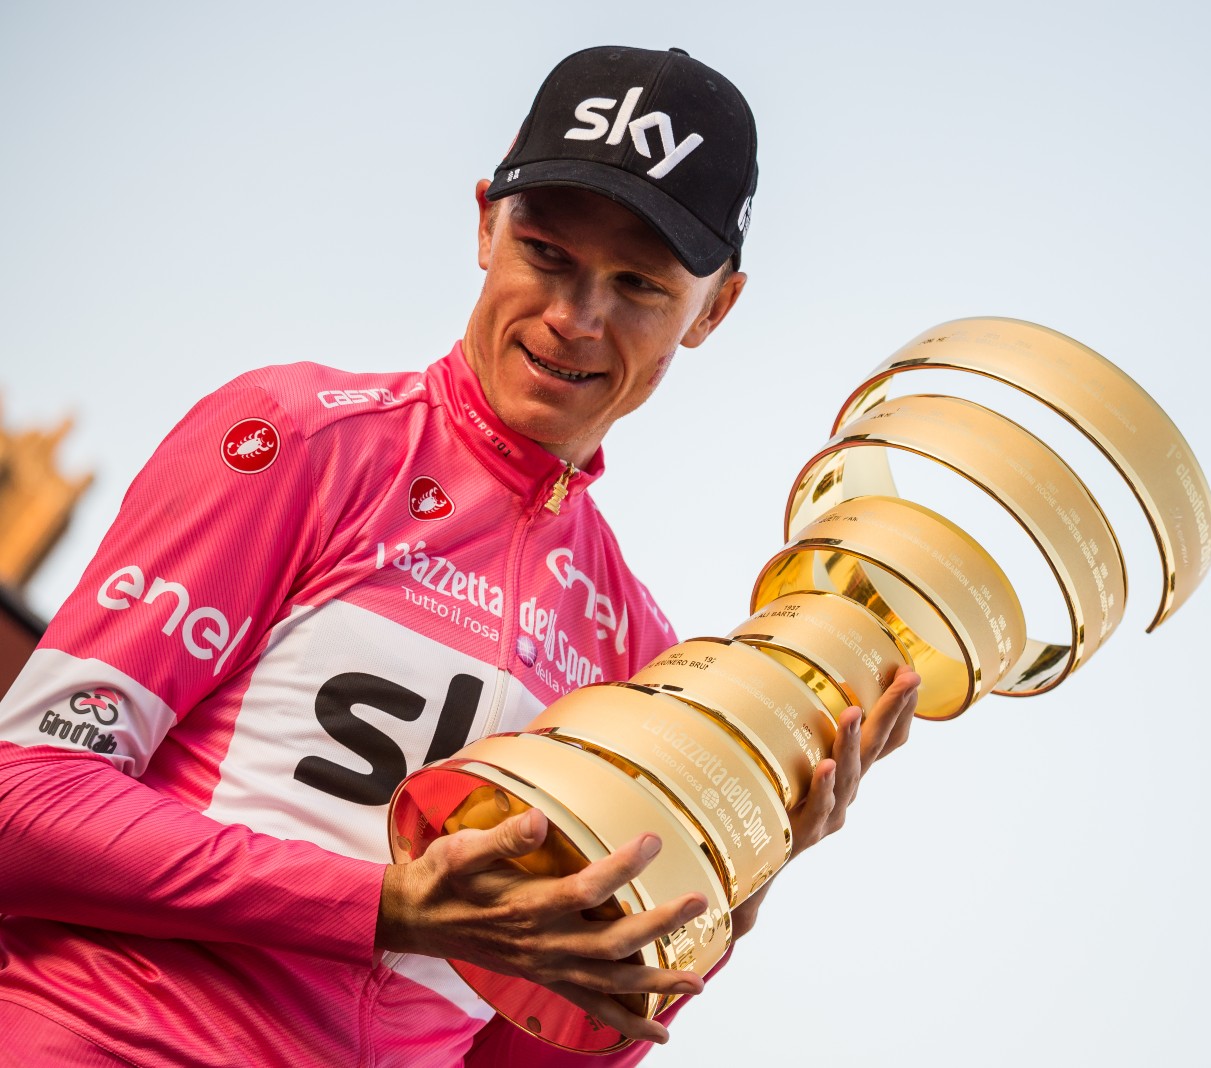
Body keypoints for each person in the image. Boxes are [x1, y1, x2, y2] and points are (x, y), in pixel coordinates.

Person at [0, 45, 920, 1067]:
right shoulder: (300, 438)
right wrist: (386, 906)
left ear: (715, 308)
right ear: (486, 223)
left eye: (638, 285)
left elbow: (523, 1046)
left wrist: (737, 880)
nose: (574, 318)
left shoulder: (638, 653)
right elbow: (21, 802)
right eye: (547, 253)